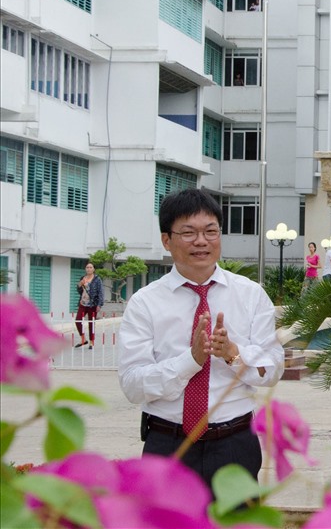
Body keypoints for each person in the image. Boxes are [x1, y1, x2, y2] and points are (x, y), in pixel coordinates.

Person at [118, 188, 284, 489]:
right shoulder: (145, 303)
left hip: (234, 444)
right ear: (166, 240)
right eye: (189, 232)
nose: (201, 241)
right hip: (169, 445)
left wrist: (233, 354)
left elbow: (272, 370)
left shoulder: (250, 295)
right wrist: (190, 361)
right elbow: (133, 384)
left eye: (211, 231)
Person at [74, 262, 103, 349]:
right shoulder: (83, 278)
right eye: (87, 267)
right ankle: (83, 339)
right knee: (78, 320)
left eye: (90, 267)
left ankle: (91, 341)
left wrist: (99, 304)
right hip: (83, 303)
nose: (89, 269)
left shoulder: (97, 279)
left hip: (93, 304)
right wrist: (79, 285)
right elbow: (80, 291)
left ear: (93, 269)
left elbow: (100, 292)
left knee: (91, 323)